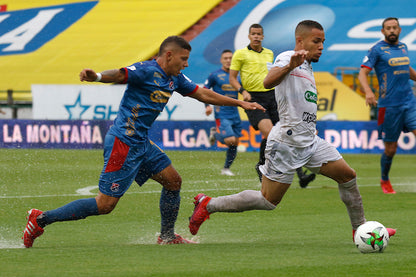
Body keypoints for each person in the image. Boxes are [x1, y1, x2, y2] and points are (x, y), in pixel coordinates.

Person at [22, 36, 265, 247]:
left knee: (173, 181)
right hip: (123, 143)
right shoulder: (147, 70)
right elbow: (119, 74)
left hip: (141, 143)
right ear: (168, 55)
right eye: (183, 58)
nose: (186, 63)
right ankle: (40, 219)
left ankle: (167, 236)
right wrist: (95, 76)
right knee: (105, 205)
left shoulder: (175, 78)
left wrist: (240, 103)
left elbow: (203, 93)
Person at [188, 20, 396, 241]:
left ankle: (361, 229)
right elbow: (268, 81)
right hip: (286, 143)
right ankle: (208, 204)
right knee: (268, 201)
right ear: (300, 41)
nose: (321, 46)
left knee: (348, 176)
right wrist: (289, 66)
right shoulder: (287, 57)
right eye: (316, 41)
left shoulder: (306, 65)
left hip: (309, 140)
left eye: (323, 42)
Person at [229, 23, 315, 187]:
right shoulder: (240, 54)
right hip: (253, 98)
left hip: (272, 96)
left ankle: (301, 175)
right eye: (253, 33)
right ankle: (261, 166)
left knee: (287, 135)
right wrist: (242, 91)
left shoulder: (269, 53)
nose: (256, 36)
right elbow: (232, 78)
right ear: (249, 36)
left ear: (262, 36)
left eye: (258, 34)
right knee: (270, 134)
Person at [358, 17, 416, 194]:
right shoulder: (376, 50)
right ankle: (384, 179)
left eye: (395, 28)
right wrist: (368, 92)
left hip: (409, 102)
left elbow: (407, 70)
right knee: (391, 148)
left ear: (399, 30)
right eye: (388, 28)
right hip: (389, 106)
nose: (392, 30)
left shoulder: (403, 47)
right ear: (383, 31)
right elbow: (362, 73)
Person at [204, 49, 242, 176]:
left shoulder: (237, 76)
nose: (228, 60)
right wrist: (207, 106)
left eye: (230, 58)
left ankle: (226, 168)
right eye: (225, 58)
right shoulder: (214, 75)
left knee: (235, 143)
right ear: (221, 60)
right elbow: (204, 89)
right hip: (222, 112)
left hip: (235, 112)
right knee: (230, 140)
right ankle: (215, 134)